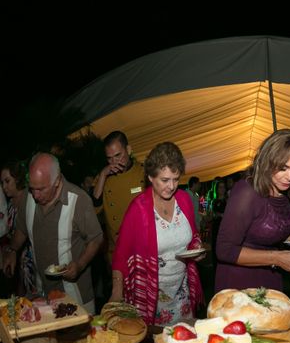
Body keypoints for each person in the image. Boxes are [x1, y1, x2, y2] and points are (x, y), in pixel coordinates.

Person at [110, 142, 204, 326]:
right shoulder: (138, 208)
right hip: (150, 294)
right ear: (151, 177)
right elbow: (120, 254)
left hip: (182, 291)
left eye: (176, 179)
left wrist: (196, 247)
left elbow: (192, 235)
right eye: (165, 180)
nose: (171, 186)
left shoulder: (184, 200)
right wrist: (116, 292)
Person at [3, 153, 103, 313]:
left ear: (57, 181)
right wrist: (13, 250)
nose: (35, 195)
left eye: (41, 189)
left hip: (75, 296)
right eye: (32, 188)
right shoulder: (28, 198)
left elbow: (96, 239)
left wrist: (80, 264)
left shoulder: (79, 200)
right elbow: (22, 228)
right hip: (42, 294)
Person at [215, 129, 290, 292]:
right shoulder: (247, 191)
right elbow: (224, 249)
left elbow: (264, 226)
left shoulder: (284, 190)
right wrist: (277, 258)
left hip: (271, 277)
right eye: (283, 167)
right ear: (268, 160)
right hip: (241, 282)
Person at [93, 131, 146, 260]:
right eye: (109, 158)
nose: (114, 162)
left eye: (118, 155)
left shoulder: (144, 172)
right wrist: (103, 175)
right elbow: (94, 207)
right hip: (117, 251)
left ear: (128, 149)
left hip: (144, 247)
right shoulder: (103, 178)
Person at [1, 161, 36, 295]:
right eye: (2, 182)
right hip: (17, 262)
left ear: (18, 179)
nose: (4, 186)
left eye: (7, 181)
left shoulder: (31, 199)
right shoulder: (9, 204)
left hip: (33, 263)